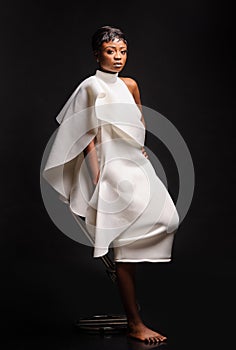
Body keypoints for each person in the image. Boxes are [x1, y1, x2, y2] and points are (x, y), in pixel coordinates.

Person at [43, 25, 179, 345]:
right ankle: (134, 322)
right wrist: (96, 173)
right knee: (123, 247)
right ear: (96, 54)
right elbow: (85, 134)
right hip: (109, 164)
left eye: (122, 51)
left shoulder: (131, 84)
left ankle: (133, 314)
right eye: (110, 51)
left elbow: (138, 119)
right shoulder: (90, 87)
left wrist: (137, 144)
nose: (117, 57)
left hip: (134, 161)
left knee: (167, 217)